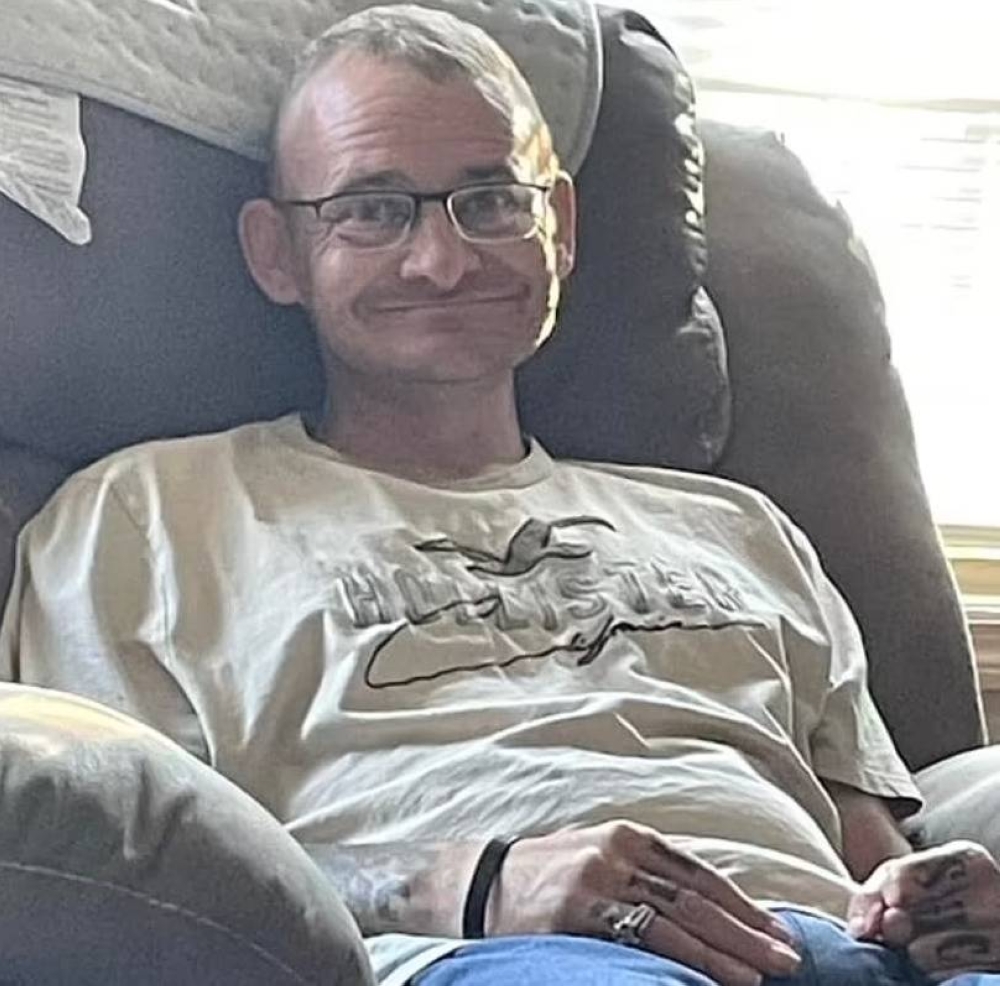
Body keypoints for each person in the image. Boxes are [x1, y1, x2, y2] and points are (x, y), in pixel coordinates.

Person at [1, 5, 999, 986]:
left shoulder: (741, 526)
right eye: (372, 209)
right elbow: (128, 864)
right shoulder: (143, 517)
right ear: (276, 253)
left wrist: (930, 896)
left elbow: (866, 845)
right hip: (499, 956)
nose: (442, 260)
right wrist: (471, 883)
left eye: (490, 201)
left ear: (557, 229)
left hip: (832, 944)